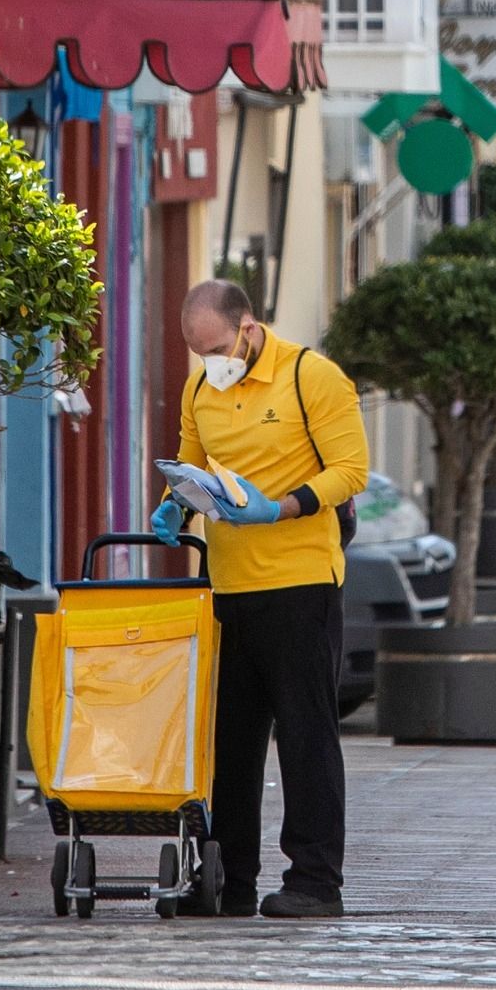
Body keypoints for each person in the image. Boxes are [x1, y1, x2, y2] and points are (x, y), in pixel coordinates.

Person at [150, 279, 370, 918]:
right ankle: (227, 881)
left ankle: (314, 882)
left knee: (306, 739)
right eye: (198, 354)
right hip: (229, 588)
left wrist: (282, 508)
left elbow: (349, 470)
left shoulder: (311, 377)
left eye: (216, 348)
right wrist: (173, 509)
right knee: (229, 744)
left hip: (301, 585)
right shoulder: (200, 390)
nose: (208, 364)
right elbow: (190, 466)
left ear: (247, 328)